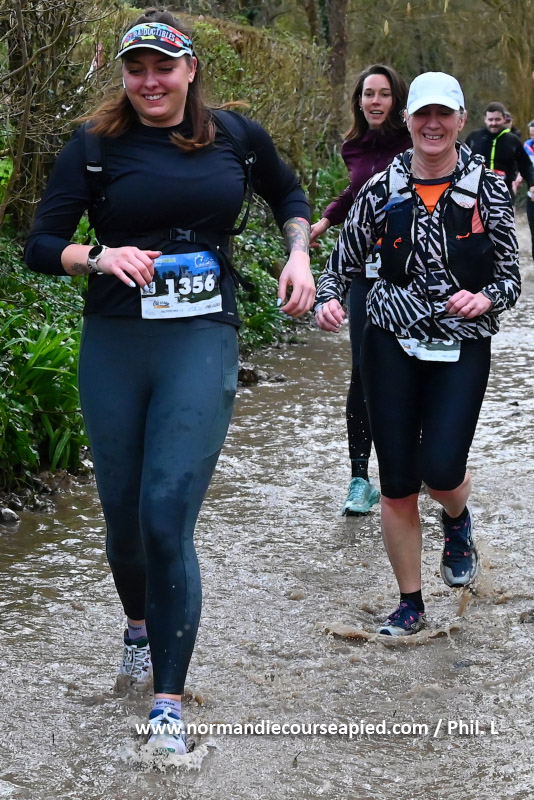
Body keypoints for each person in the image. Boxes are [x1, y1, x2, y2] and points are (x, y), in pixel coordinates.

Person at [25, 8, 314, 752]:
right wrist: (97, 256)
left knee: (164, 516)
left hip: (200, 335)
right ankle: (137, 628)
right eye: (137, 69)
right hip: (116, 341)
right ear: (124, 75)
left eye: (163, 67)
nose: (150, 81)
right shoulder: (94, 145)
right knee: (123, 525)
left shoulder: (236, 137)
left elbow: (289, 195)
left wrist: (298, 254)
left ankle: (167, 706)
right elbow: (40, 244)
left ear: (190, 70)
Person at [315, 72, 520, 636]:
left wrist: (484, 298)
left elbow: (510, 277)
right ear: (407, 120)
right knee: (399, 482)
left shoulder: (488, 190)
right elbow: (340, 264)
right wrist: (328, 300)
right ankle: (410, 604)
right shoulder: (381, 188)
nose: (432, 125)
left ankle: (457, 518)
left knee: (441, 471)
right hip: (389, 341)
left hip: (461, 343)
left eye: (443, 115)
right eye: (422, 114)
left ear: (460, 120)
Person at [310, 65, 411, 516]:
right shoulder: (353, 146)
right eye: (368, 93)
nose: (374, 101)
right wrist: (325, 220)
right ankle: (359, 479)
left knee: (411, 364)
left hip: (409, 273)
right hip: (364, 273)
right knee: (363, 369)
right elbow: (357, 194)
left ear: (397, 101)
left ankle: (413, 463)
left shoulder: (414, 145)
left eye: (383, 94)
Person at [465, 101, 534, 199]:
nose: (494, 123)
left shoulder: (513, 141)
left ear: (504, 119)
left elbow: (526, 165)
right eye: (490, 120)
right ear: (485, 119)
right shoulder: (474, 138)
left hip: (504, 194)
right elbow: (461, 163)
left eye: (497, 119)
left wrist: (532, 184)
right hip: (476, 194)